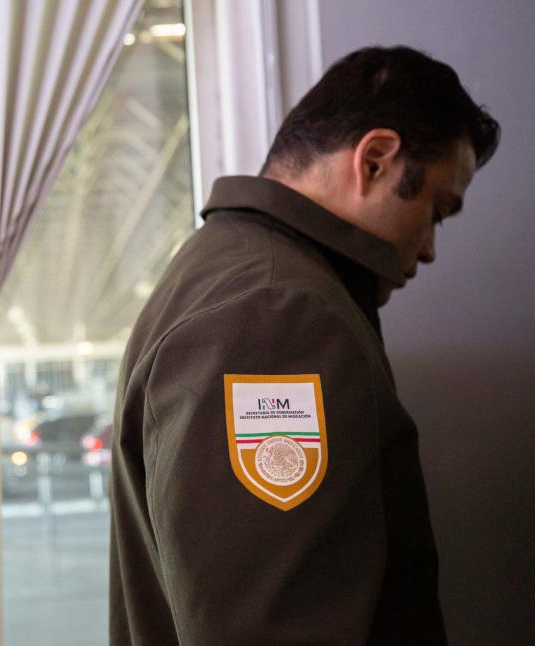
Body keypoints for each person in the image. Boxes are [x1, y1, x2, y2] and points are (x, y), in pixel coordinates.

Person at [109, 46, 500, 645]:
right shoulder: (272, 315)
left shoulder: (235, 274)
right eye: (436, 210)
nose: (428, 249)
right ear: (374, 160)